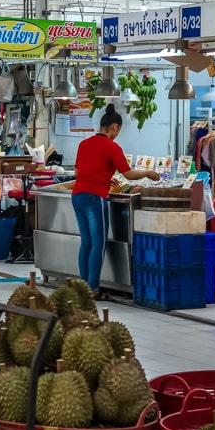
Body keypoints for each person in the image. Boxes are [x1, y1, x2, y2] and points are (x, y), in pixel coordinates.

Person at [72, 104, 159, 298]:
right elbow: (128, 174)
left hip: (77, 196)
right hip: (95, 198)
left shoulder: (83, 144)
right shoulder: (112, 146)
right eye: (118, 130)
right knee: (98, 243)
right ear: (115, 127)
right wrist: (146, 172)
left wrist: (103, 175)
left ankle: (82, 287)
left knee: (86, 243)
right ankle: (93, 288)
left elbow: (79, 172)